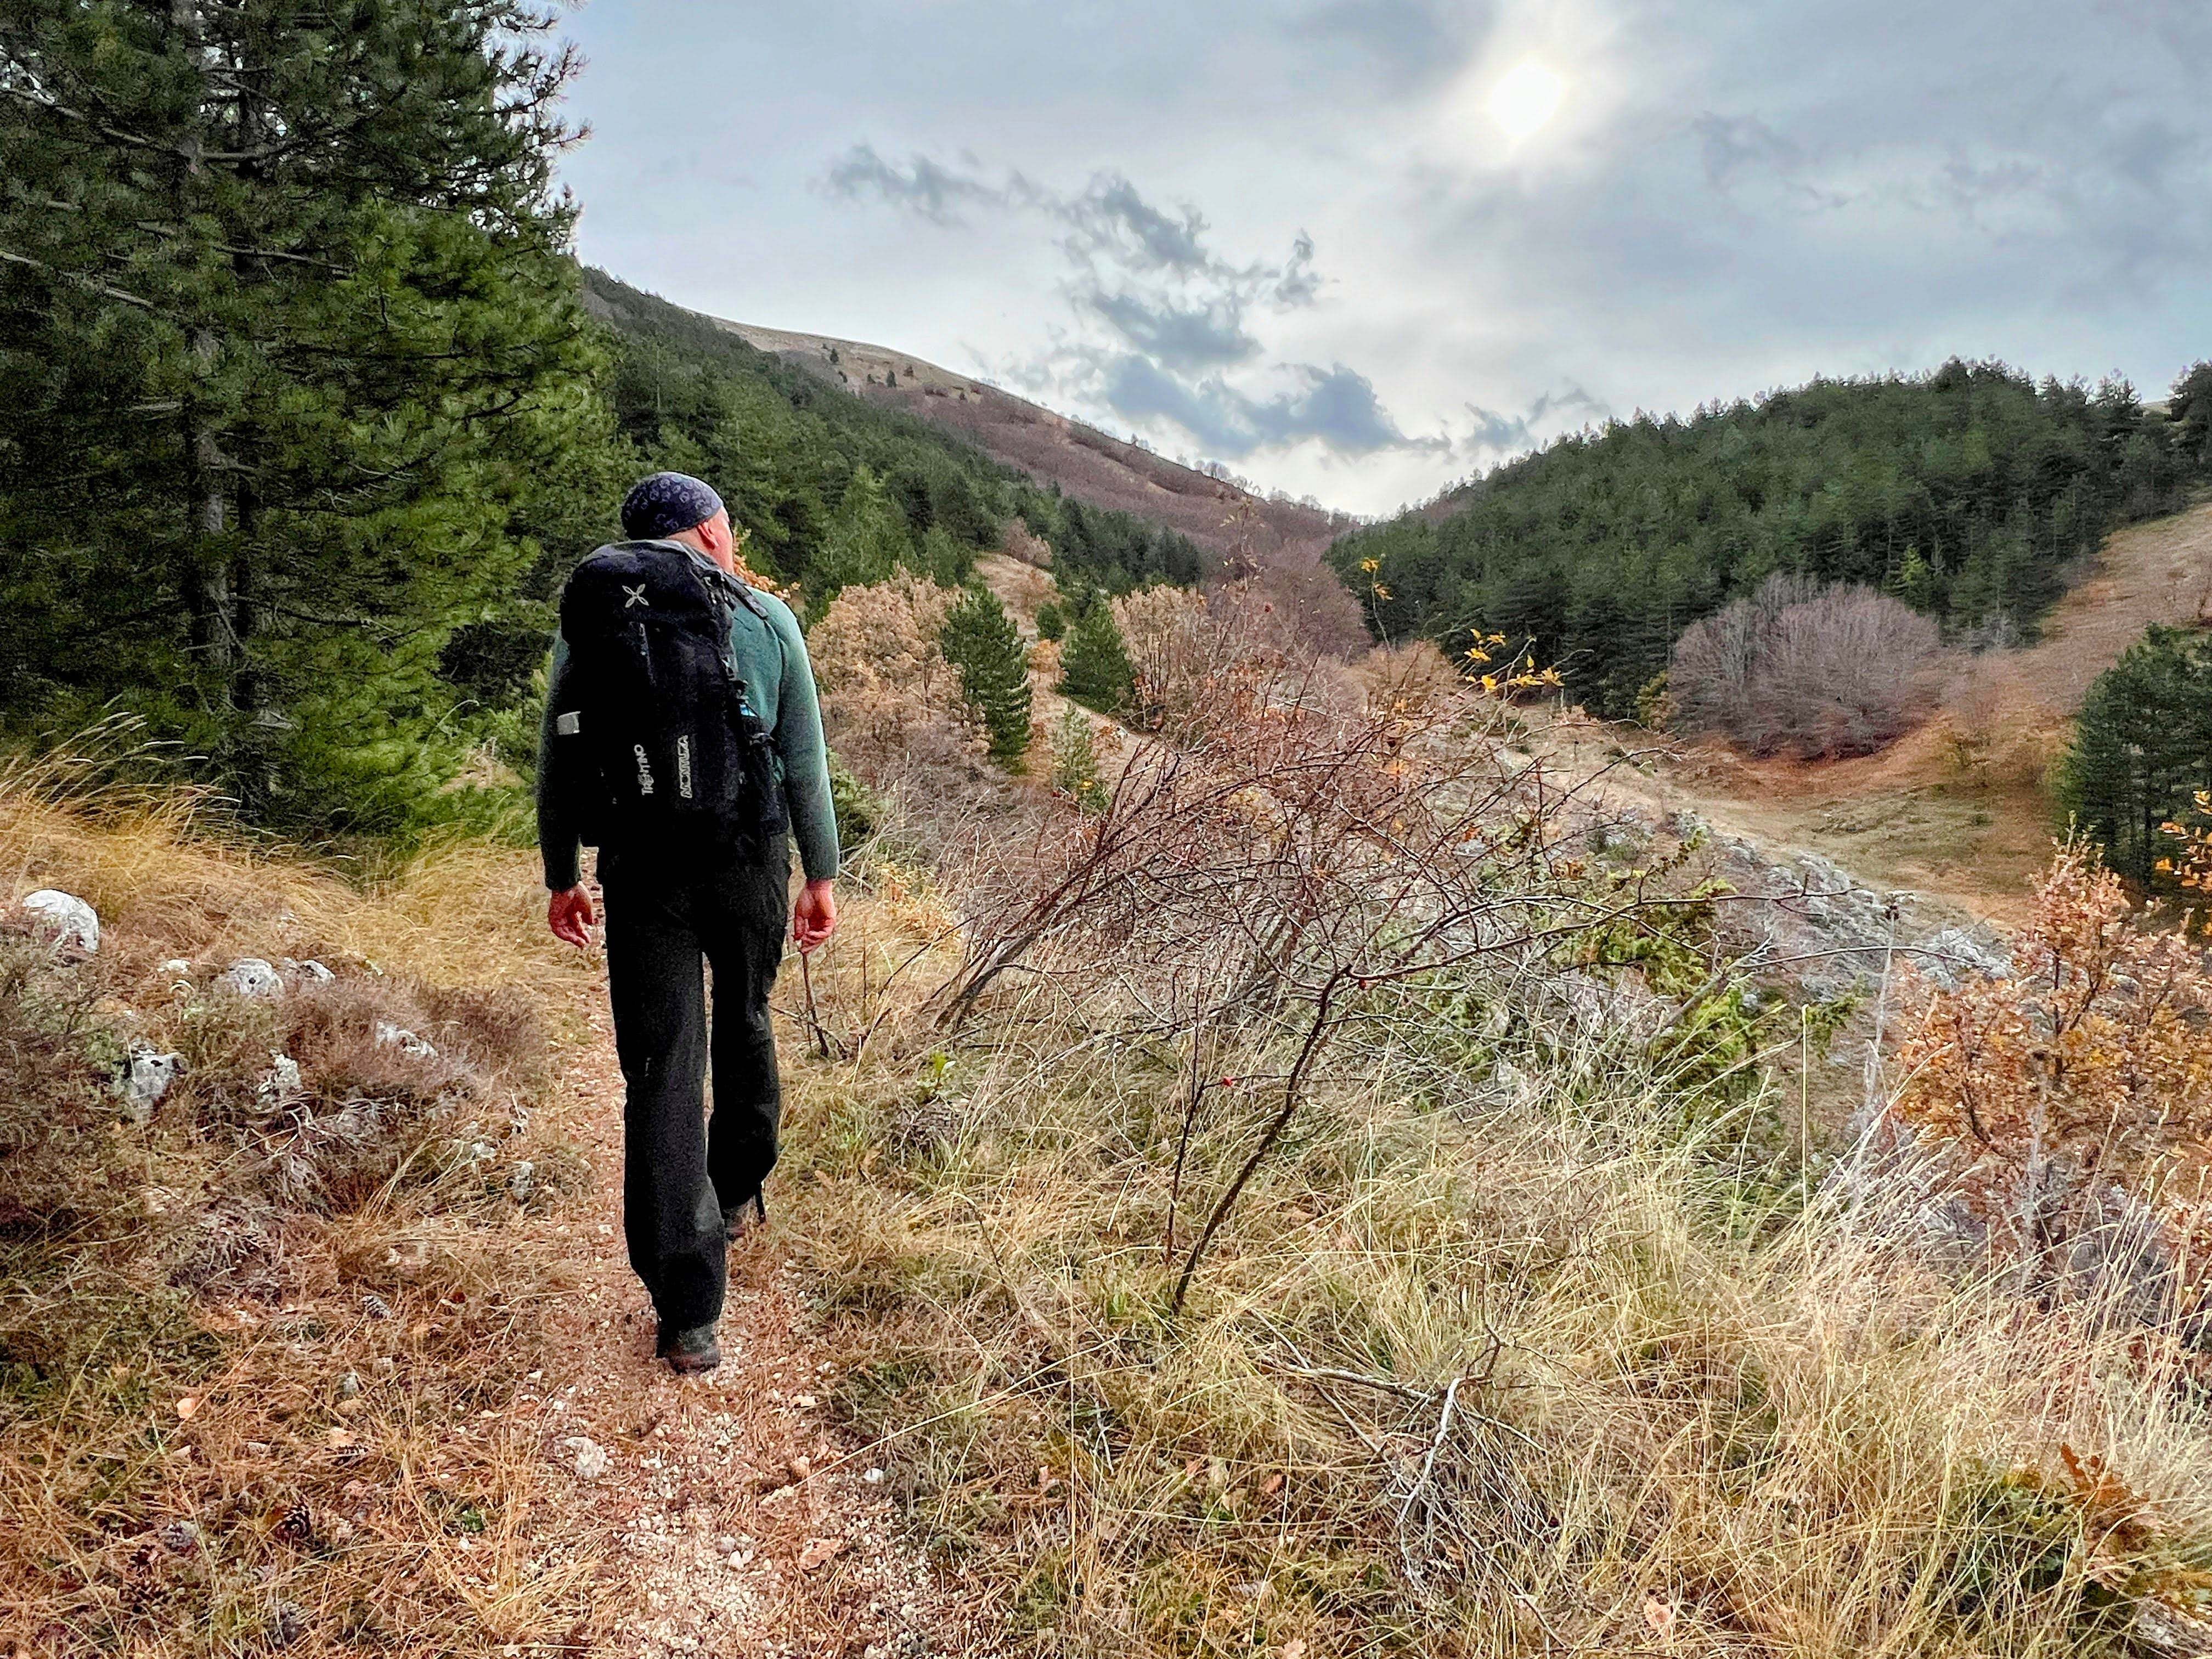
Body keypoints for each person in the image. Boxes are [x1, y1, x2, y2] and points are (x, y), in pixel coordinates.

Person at [537, 472, 838, 1374]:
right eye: (729, 528)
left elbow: (558, 757)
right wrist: (821, 875)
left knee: (663, 1068)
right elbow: (803, 761)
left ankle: (687, 1312)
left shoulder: (593, 617)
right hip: (749, 860)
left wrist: (561, 875)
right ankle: (738, 1185)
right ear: (709, 534)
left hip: (640, 868)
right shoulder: (766, 617)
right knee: (744, 1018)